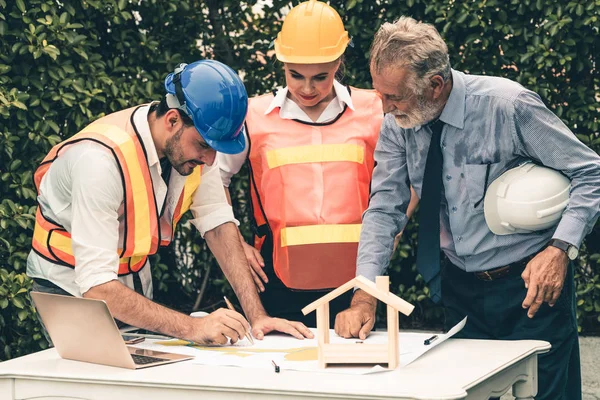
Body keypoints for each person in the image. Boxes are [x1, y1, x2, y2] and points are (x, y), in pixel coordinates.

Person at [334, 17, 600, 400]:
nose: (385, 108)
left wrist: (559, 249)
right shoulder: (397, 123)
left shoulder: (508, 106)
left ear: (435, 85)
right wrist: (365, 294)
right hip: (458, 288)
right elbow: (384, 209)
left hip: (531, 286)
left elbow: (590, 172)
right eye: (380, 95)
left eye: (394, 97)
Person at [27, 60, 312, 346]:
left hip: (129, 288)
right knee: (93, 383)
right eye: (204, 146)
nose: (211, 161)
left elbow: (218, 223)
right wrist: (192, 327)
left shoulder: (194, 145)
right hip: (69, 290)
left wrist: (257, 317)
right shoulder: (99, 163)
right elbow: (97, 287)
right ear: (173, 120)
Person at [218, 0, 419, 327]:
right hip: (277, 282)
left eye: (320, 77)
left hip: (359, 282)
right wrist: (236, 243)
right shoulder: (253, 116)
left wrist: (394, 228)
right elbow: (214, 178)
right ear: (281, 63)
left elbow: (414, 174)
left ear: (339, 63)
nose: (306, 88)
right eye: (295, 75)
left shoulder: (374, 109)